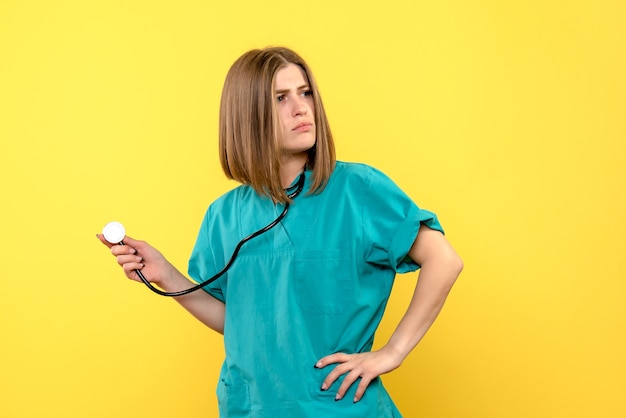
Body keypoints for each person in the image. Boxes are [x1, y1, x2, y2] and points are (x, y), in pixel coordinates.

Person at [98, 46, 463, 417]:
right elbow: (238, 320)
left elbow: (444, 260)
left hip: (336, 407)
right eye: (280, 98)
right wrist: (167, 275)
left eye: (305, 93)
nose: (301, 108)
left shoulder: (359, 190)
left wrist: (393, 352)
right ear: (247, 116)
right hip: (252, 408)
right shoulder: (223, 215)